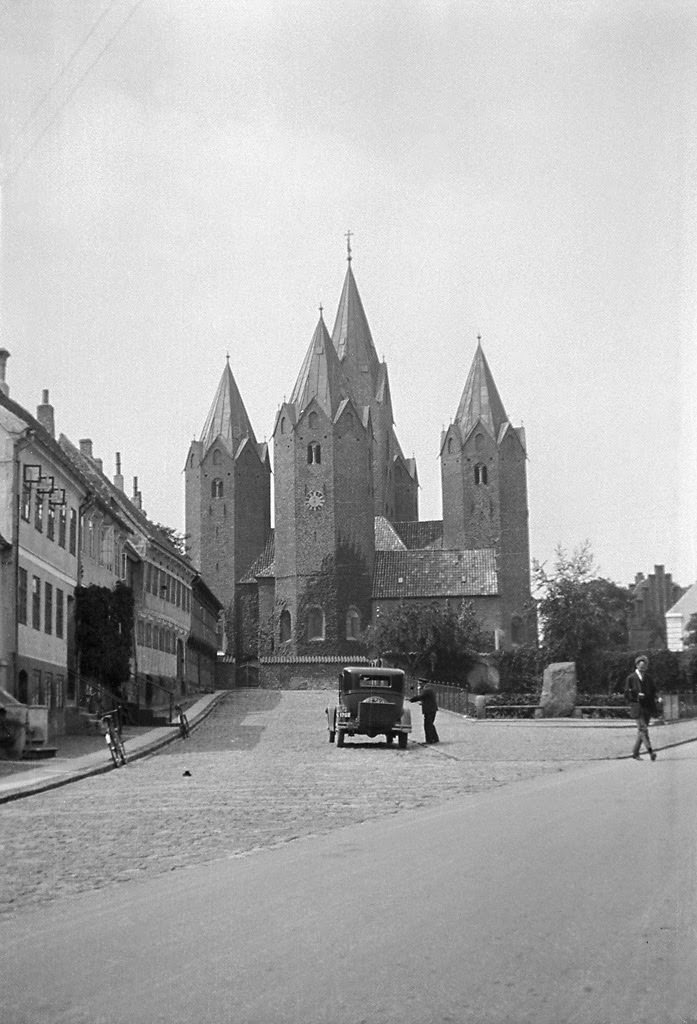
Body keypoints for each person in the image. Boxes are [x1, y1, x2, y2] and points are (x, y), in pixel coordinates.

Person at [624, 655, 658, 761]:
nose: (643, 668)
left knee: (642, 731)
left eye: (645, 666)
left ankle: (635, 753)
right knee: (643, 729)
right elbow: (626, 693)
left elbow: (653, 691)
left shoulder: (648, 678)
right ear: (637, 665)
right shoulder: (631, 678)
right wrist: (636, 696)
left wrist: (657, 699)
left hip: (647, 707)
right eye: (641, 666)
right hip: (637, 707)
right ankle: (651, 752)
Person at [409, 678, 439, 744]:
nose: (419, 685)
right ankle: (435, 738)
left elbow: (421, 697)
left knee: (427, 725)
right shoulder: (427, 689)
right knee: (430, 724)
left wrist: (411, 700)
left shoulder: (427, 690)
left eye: (420, 684)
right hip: (431, 709)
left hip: (429, 709)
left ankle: (429, 740)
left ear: (423, 683)